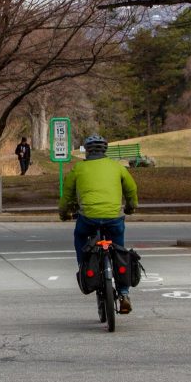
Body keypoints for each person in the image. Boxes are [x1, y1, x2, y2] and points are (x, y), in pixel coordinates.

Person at [65, 134, 138, 313]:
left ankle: (84, 266)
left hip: (88, 218)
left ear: (87, 151)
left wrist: (63, 213)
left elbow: (67, 194)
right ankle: (123, 293)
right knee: (119, 249)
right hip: (114, 217)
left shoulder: (78, 169)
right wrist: (130, 207)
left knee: (80, 236)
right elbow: (131, 189)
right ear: (105, 150)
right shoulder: (117, 167)